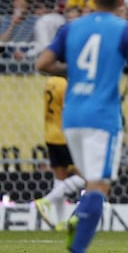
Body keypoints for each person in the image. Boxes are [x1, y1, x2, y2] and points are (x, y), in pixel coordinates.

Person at [35, 0, 128, 253]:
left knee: (89, 179)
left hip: (72, 117)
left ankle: (73, 214)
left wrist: (73, 72)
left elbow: (43, 63)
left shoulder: (70, 28)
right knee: (99, 187)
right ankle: (78, 238)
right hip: (103, 117)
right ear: (121, 0)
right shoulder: (125, 29)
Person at [34, 76, 86, 231]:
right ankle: (46, 201)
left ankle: (61, 222)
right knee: (87, 176)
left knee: (60, 179)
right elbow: (70, 110)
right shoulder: (65, 85)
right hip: (64, 136)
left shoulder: (50, 83)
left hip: (50, 134)